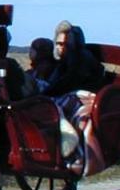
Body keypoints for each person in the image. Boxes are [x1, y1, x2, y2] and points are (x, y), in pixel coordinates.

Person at [42, 20, 107, 175]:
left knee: (61, 106)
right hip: (70, 91)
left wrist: (48, 92)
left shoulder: (80, 59)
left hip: (85, 93)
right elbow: (58, 81)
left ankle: (73, 147)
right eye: (58, 44)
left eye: (65, 44)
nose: (60, 48)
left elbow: (70, 81)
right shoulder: (63, 61)